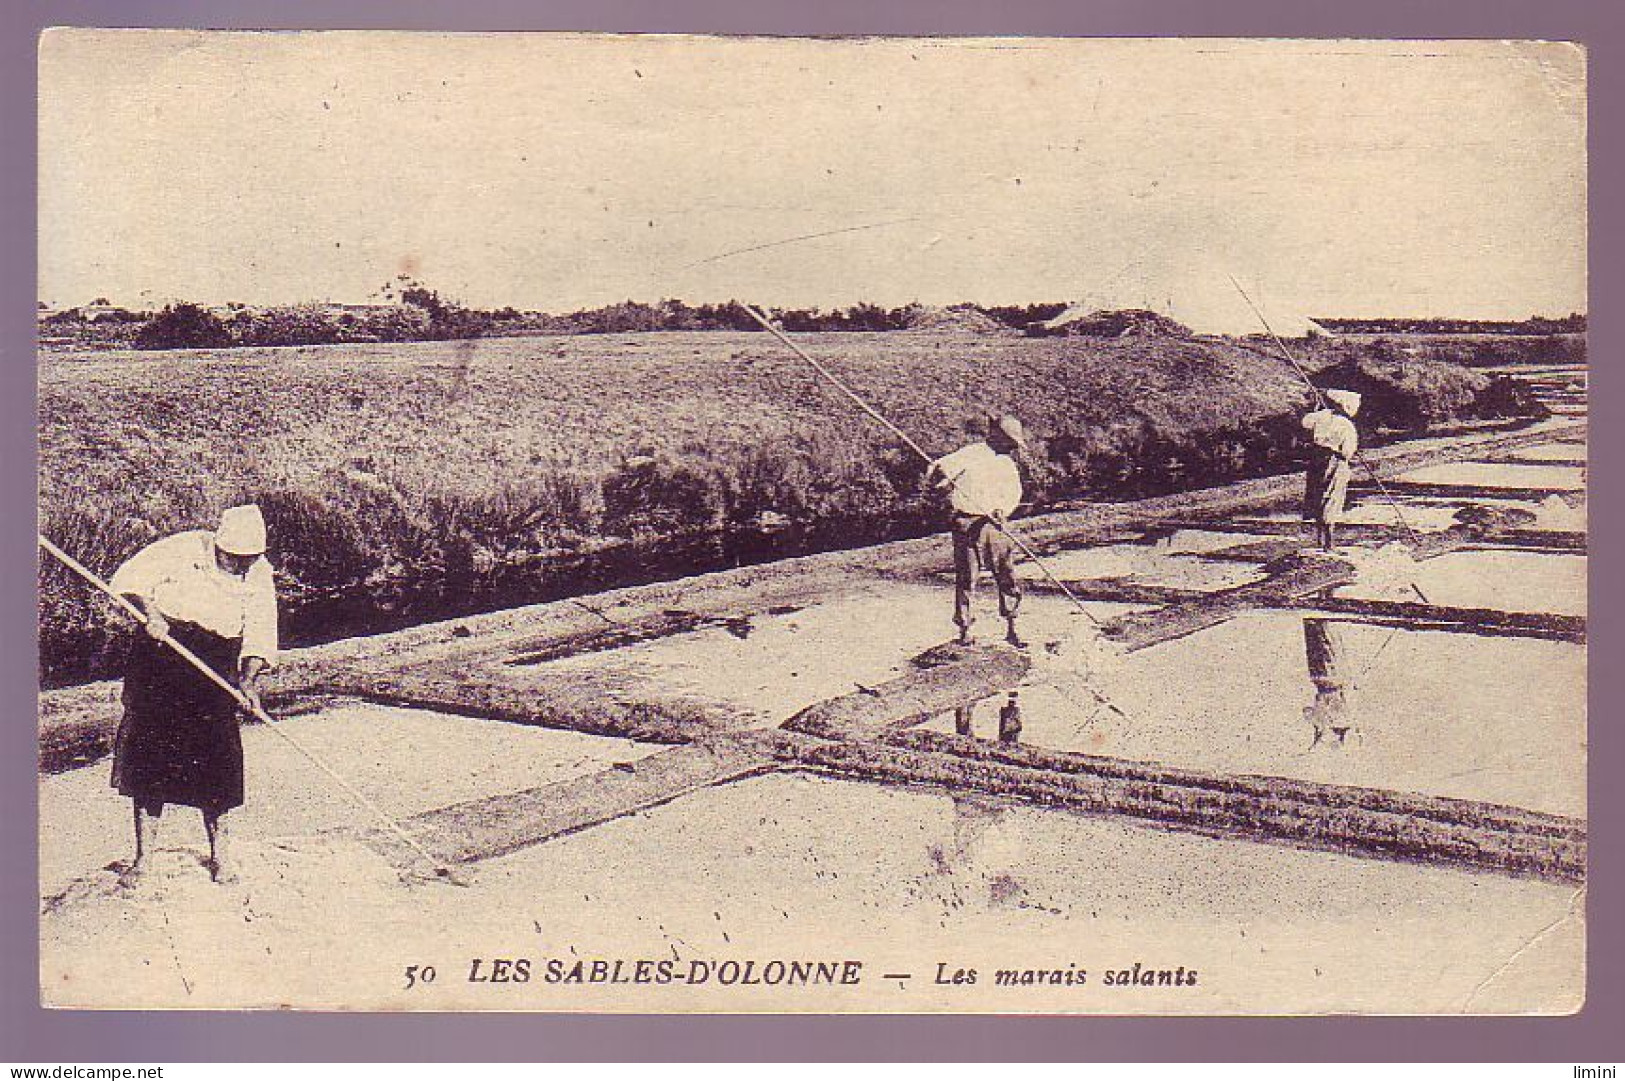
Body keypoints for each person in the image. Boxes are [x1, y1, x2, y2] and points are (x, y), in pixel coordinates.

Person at [108, 504, 278, 884]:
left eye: (247, 560)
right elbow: (127, 582)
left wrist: (247, 682)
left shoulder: (258, 572)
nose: (240, 566)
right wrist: (151, 613)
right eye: (234, 558)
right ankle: (143, 860)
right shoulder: (183, 548)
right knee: (148, 758)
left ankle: (221, 858)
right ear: (219, 546)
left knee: (218, 761)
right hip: (163, 654)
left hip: (216, 661)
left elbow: (261, 631)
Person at [927, 414, 1027, 648]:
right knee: (967, 577)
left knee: (1006, 573)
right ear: (996, 436)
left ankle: (1012, 627)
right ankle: (965, 630)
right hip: (967, 522)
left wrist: (1003, 509)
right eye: (1008, 441)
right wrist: (941, 478)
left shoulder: (1007, 463)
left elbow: (1014, 492)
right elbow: (937, 471)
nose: (1011, 447)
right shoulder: (969, 454)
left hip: (995, 524)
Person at [1301, 389, 1362, 551]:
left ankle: (1320, 540)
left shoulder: (1322, 417)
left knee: (1317, 496)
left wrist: (1319, 410)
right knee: (1332, 498)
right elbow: (1348, 451)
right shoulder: (1347, 426)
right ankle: (1329, 543)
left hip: (1316, 460)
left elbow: (1305, 422)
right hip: (1335, 462)